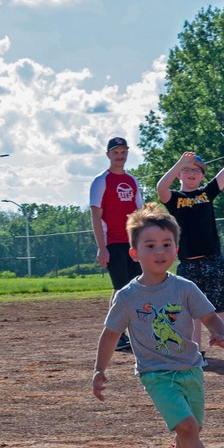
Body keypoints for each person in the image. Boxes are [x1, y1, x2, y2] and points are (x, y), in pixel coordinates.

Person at [92, 202, 224, 448]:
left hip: (190, 368)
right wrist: (99, 369)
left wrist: (220, 333)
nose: (159, 251)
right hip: (155, 373)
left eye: (166, 245)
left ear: (176, 249)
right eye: (150, 245)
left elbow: (209, 316)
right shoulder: (127, 296)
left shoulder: (185, 288)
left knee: (192, 430)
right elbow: (110, 334)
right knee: (186, 426)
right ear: (134, 253)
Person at [156, 116, 224, 366]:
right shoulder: (173, 197)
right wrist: (179, 163)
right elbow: (160, 188)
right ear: (180, 175)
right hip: (187, 263)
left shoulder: (207, 194)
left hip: (212, 260)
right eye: (188, 170)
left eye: (196, 170)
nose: (192, 173)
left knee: (221, 308)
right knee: (191, 313)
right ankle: (197, 354)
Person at [90, 136, 144, 351]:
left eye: (123, 152)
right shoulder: (101, 180)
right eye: (116, 152)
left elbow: (140, 213)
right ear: (108, 155)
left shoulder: (132, 181)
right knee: (121, 288)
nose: (120, 156)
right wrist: (102, 247)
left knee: (136, 287)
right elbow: (96, 215)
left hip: (132, 243)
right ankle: (117, 333)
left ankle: (132, 332)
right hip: (112, 242)